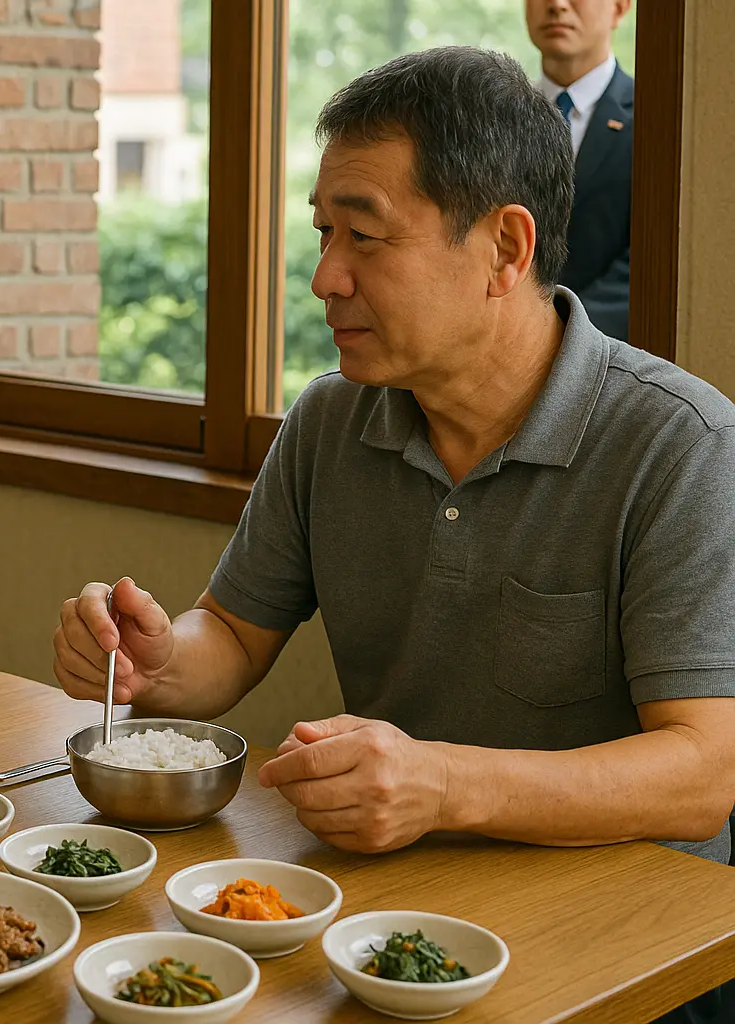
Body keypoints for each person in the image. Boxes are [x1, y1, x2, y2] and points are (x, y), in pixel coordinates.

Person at [51, 46, 731, 1023]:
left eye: (365, 237)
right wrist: (155, 664)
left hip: (633, 953)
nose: (326, 276)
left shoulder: (680, 445)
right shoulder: (332, 418)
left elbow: (705, 772)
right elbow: (231, 639)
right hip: (394, 931)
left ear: (505, 247)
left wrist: (444, 782)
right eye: (324, 231)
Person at [528, 0, 634, 341]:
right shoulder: (489, 120)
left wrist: (560, 331)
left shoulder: (658, 117)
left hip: (609, 352)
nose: (557, 5)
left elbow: (652, 258)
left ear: (620, 8)